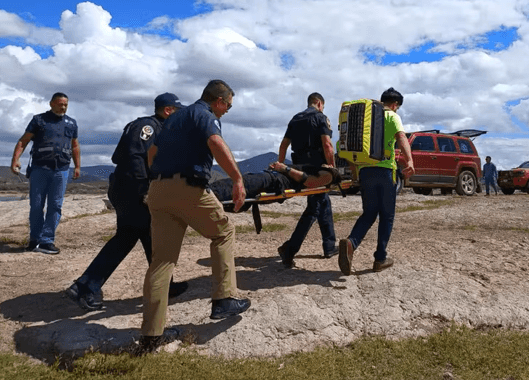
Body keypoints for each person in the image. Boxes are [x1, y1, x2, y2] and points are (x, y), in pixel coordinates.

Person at [139, 79, 250, 353]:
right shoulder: (205, 114)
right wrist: (237, 179)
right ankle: (224, 299)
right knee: (223, 232)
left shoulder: (173, 120)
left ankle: (152, 334)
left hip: (157, 189)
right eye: (228, 106)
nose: (227, 111)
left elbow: (152, 153)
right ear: (219, 101)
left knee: (161, 261)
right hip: (187, 187)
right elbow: (214, 141)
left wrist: (165, 176)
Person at [66, 93, 188, 311]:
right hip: (134, 190)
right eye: (178, 112)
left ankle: (164, 285)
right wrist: (146, 190)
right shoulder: (148, 127)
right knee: (131, 238)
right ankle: (84, 286)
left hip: (129, 189)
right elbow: (133, 157)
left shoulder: (158, 128)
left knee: (150, 238)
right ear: (168, 111)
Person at [338, 87, 415, 275]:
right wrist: (410, 160)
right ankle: (380, 258)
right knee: (387, 216)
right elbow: (401, 137)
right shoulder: (391, 116)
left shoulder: (366, 120)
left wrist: (356, 173)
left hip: (365, 171)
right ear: (395, 105)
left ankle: (351, 243)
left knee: (369, 213)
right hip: (385, 171)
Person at [11, 92, 80, 255]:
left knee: (55, 205)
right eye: (60, 104)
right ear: (51, 104)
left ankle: (47, 241)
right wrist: (15, 160)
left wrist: (77, 166)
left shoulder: (71, 123)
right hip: (39, 169)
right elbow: (23, 140)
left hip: (61, 169)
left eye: (66, 105)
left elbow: (75, 145)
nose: (63, 107)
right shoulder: (39, 120)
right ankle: (34, 239)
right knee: (36, 205)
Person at [276, 93, 337, 268]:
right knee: (315, 208)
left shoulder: (295, 119)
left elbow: (283, 145)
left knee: (323, 202)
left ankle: (329, 246)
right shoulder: (320, 118)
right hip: (316, 170)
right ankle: (289, 248)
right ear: (319, 103)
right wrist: (331, 169)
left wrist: (281, 167)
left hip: (299, 170)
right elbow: (327, 145)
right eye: (323, 106)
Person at [211, 162, 341, 208]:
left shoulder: (329, 175)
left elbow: (309, 181)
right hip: (273, 177)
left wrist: (285, 169)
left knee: (241, 185)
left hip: (276, 181)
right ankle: (207, 193)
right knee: (241, 183)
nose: (329, 165)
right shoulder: (321, 169)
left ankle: (206, 194)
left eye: (331, 166)